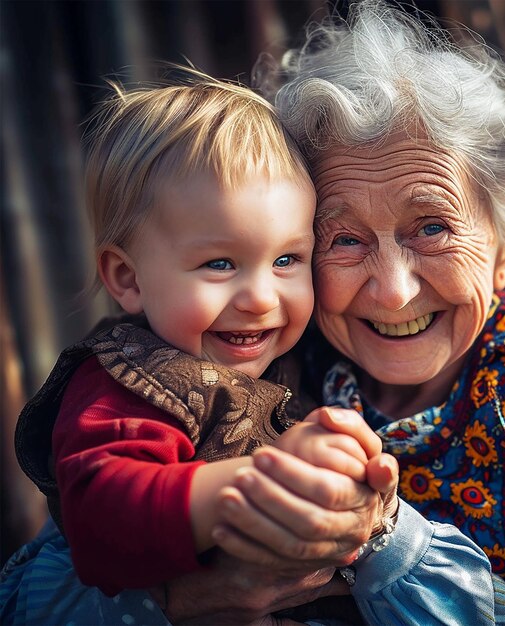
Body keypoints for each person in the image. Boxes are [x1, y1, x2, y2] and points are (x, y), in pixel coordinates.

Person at [155, 1, 505, 624]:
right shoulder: (264, 350)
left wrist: (385, 536)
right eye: (343, 239)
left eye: (431, 228)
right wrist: (169, 601)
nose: (394, 293)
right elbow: (37, 585)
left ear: (503, 239)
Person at [0, 70, 400, 625]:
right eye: (219, 264)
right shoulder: (125, 388)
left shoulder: (291, 356)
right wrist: (255, 485)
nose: (262, 298)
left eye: (288, 260)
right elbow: (99, 518)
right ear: (128, 278)